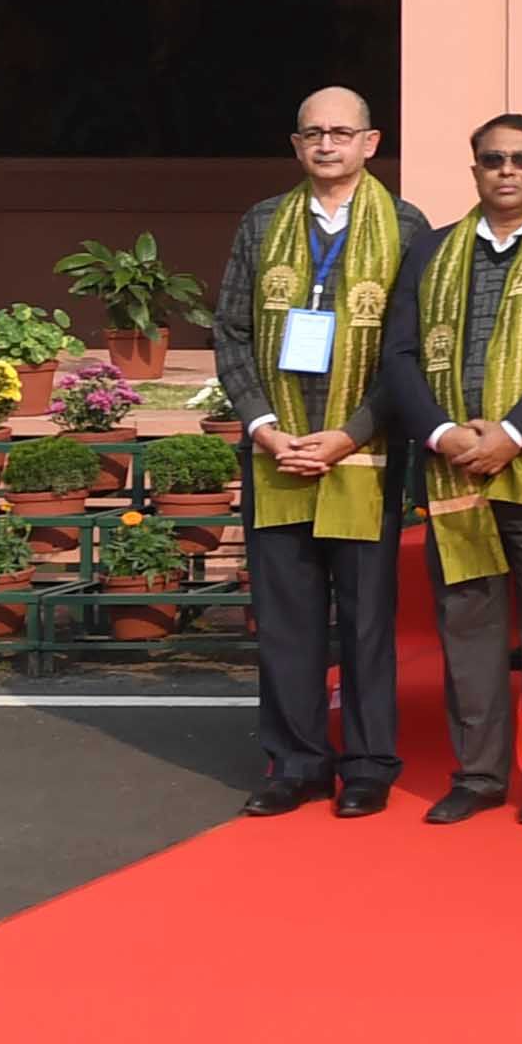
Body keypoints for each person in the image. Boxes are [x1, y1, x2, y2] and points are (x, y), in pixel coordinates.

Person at [378, 112, 522, 826]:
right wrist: (442, 434)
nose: (507, 171)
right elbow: (399, 353)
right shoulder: (430, 251)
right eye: (493, 159)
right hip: (453, 470)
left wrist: (512, 432)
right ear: (475, 169)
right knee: (467, 627)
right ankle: (477, 775)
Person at [216, 87, 429, 820]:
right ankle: (297, 761)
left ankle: (368, 763)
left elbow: (409, 348)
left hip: (363, 454)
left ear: (371, 143)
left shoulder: (404, 225)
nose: (327, 144)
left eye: (341, 132)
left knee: (366, 619)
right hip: (277, 447)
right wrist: (262, 424)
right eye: (313, 133)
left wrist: (353, 432)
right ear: (296, 145)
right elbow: (231, 332)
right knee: (286, 618)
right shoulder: (262, 222)